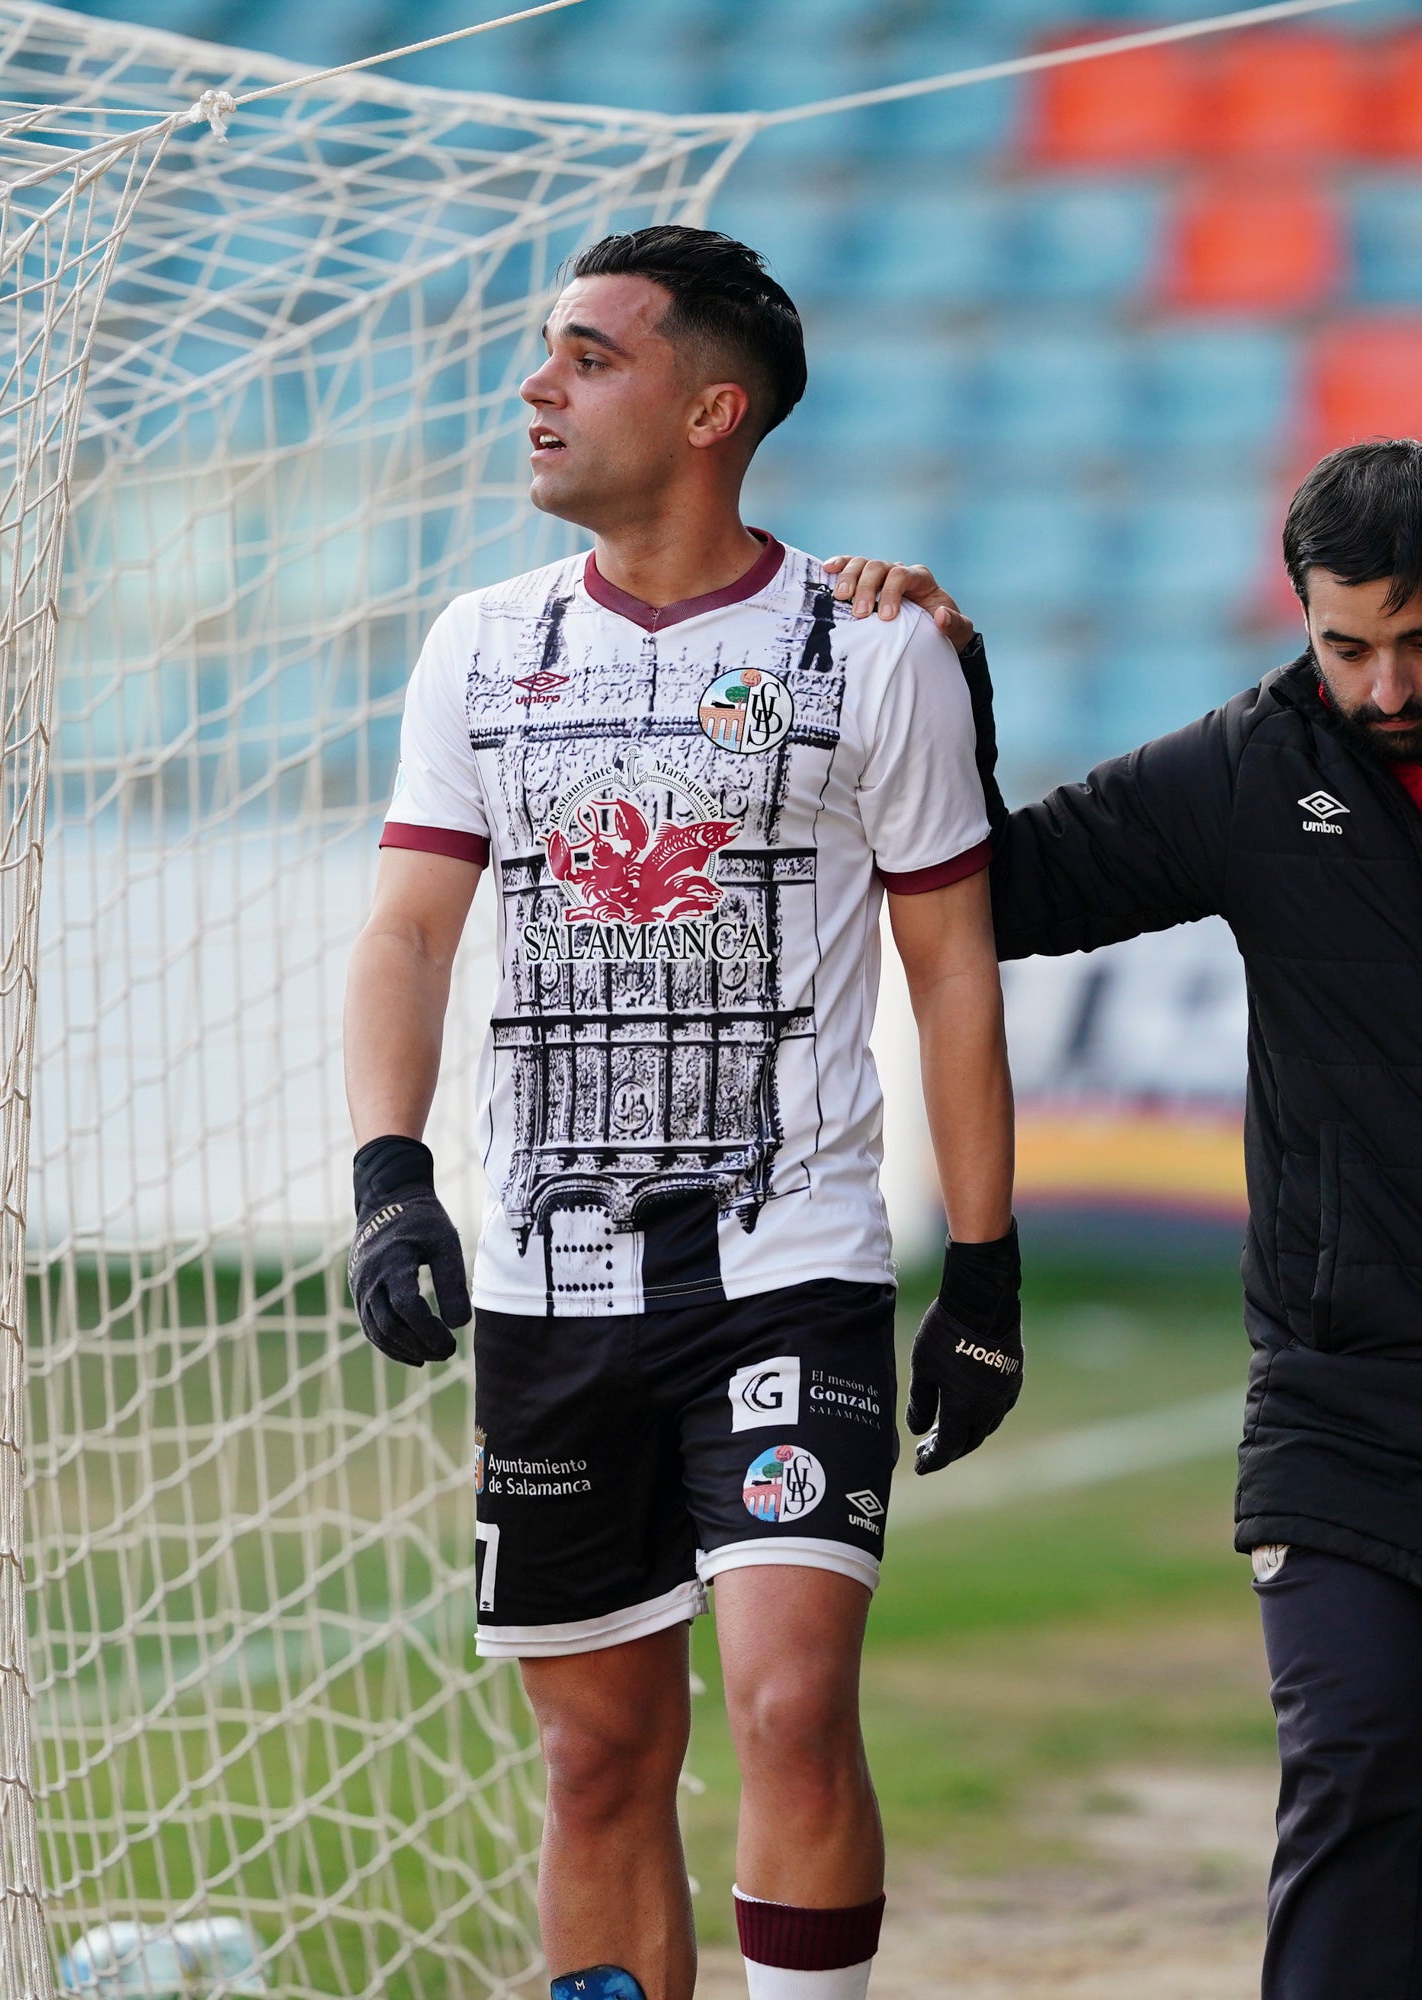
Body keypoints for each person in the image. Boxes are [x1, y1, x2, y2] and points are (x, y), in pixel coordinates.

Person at [828, 438, 1422, 1999]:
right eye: (1345, 646)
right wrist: (953, 680)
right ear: (1300, 614)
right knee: (1351, 1784)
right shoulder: (1251, 766)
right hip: (1343, 1392)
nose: (1385, 686)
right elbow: (1012, 891)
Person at [340, 224, 1024, 2000]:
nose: (537, 386)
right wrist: (391, 1176)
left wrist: (985, 1268)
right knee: (595, 1757)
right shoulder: (480, 645)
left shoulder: (873, 649)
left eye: (590, 357)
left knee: (792, 1709)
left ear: (715, 411)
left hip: (787, 1268)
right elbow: (408, 932)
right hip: (549, 1288)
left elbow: (953, 971)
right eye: (546, 350)